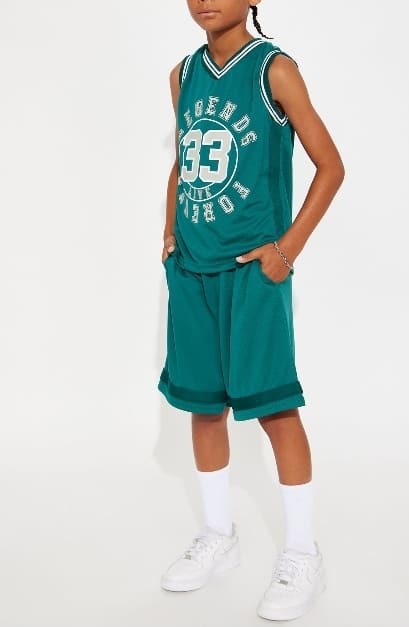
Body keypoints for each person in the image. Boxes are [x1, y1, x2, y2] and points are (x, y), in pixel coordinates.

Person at [157, 0, 344, 621]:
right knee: (202, 407)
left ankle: (302, 552)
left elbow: (331, 165)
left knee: (275, 410)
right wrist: (169, 234)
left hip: (252, 272)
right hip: (193, 270)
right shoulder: (182, 74)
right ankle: (219, 535)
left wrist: (286, 251)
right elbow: (183, 161)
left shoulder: (274, 69)